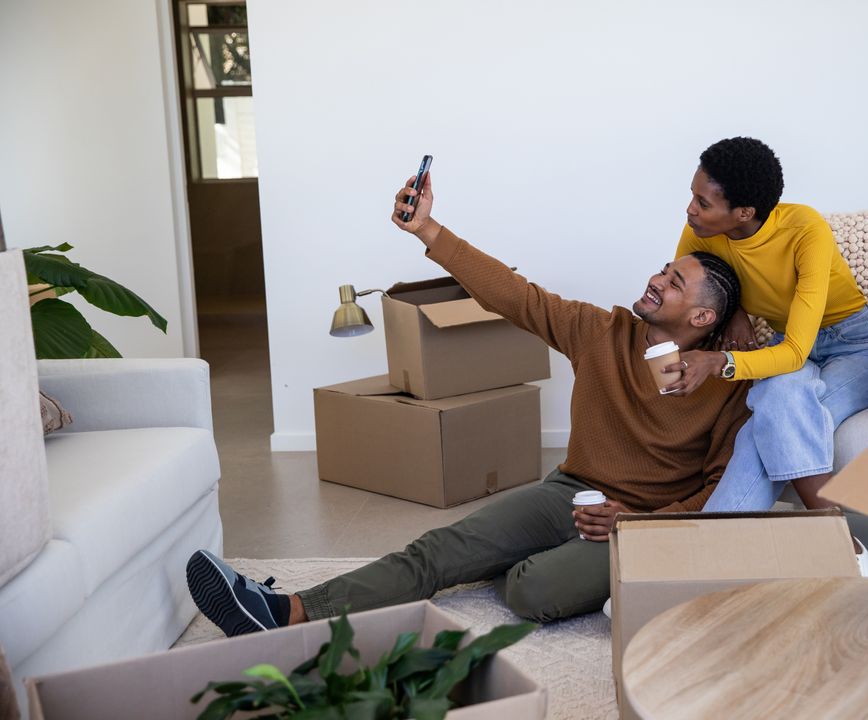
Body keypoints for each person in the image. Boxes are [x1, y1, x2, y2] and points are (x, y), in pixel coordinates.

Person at [185, 173, 751, 636]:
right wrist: (428, 228)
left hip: (638, 524)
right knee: (438, 551)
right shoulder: (600, 331)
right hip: (569, 489)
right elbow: (512, 294)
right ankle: (287, 611)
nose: (656, 279)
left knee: (535, 589)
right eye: (664, 269)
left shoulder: (730, 384)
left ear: (702, 318)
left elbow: (721, 489)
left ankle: (512, 561)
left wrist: (640, 522)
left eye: (674, 282)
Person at [659, 137, 868, 575]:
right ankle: (839, 545)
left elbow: (796, 351)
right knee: (777, 406)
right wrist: (734, 315)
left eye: (703, 202)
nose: (690, 209)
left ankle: (698, 563)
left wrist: (718, 363)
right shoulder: (700, 232)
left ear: (743, 212)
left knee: (773, 412)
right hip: (790, 348)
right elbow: (692, 293)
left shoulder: (804, 229)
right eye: (692, 195)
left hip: (858, 347)